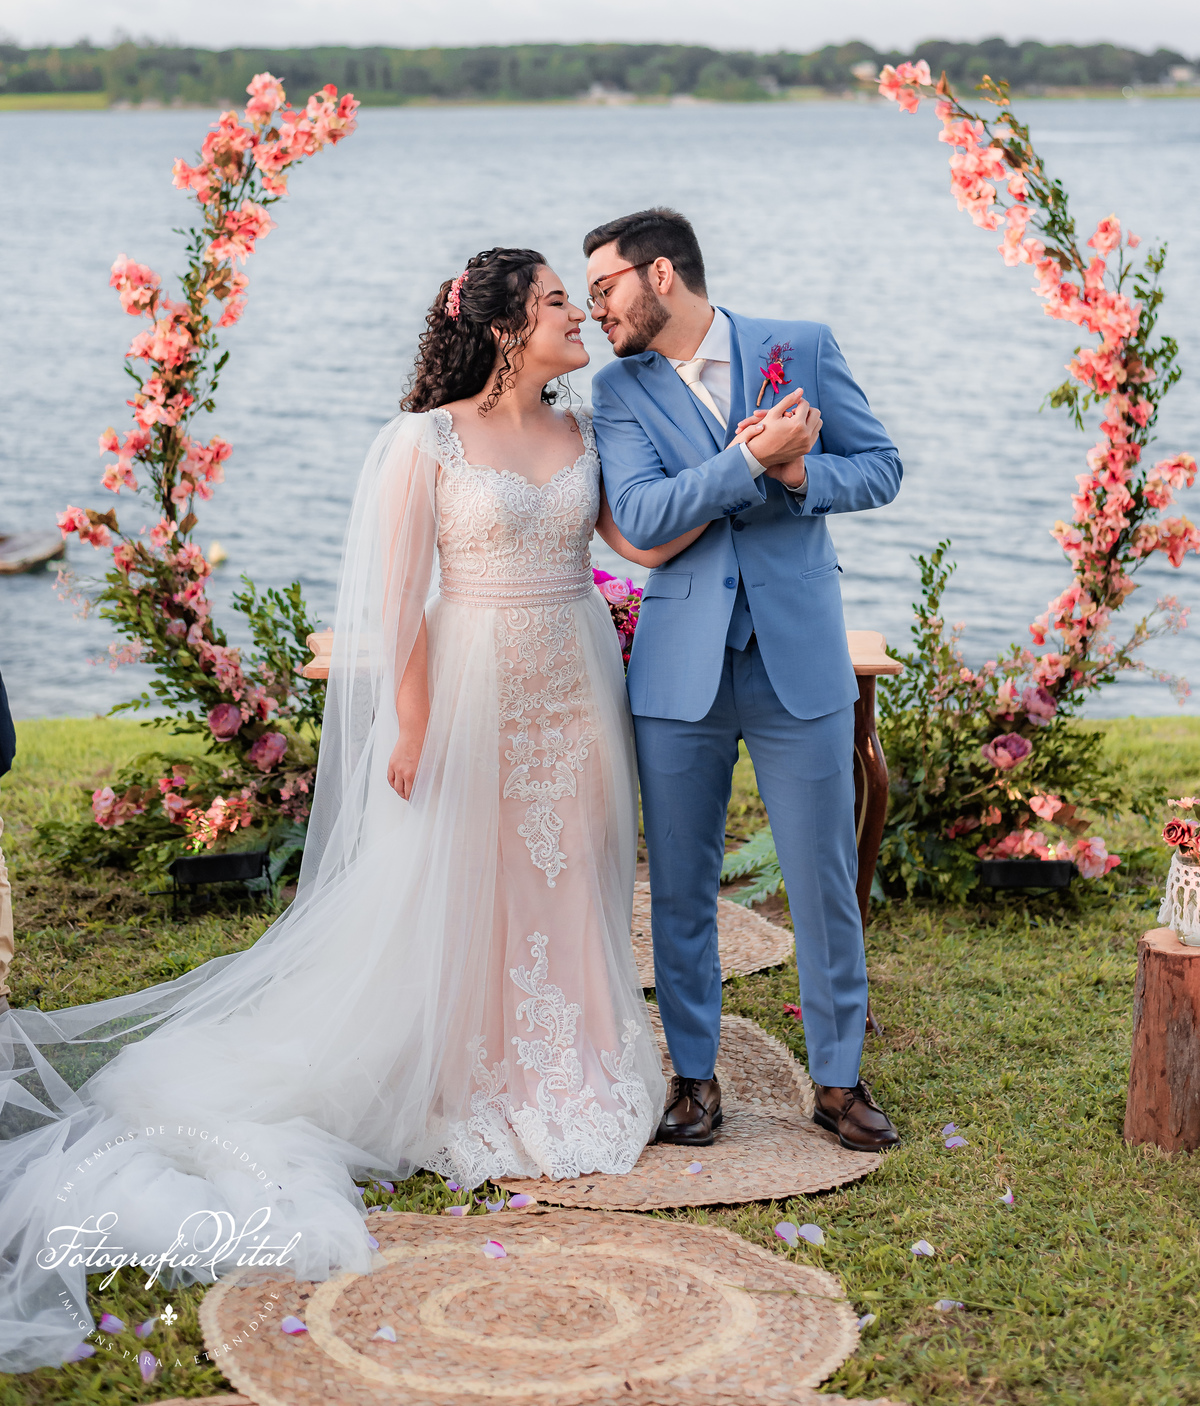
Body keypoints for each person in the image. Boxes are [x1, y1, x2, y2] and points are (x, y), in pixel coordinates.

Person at [0, 247, 689, 1374]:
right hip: (473, 684)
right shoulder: (426, 441)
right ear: (509, 326)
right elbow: (399, 602)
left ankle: (576, 1058)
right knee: (475, 875)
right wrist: (409, 725)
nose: (581, 313)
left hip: (576, 681)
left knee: (580, 870)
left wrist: (748, 470)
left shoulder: (588, 430)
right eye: (562, 299)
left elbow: (639, 540)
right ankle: (475, 1068)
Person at [585, 208, 902, 1153]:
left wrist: (802, 473)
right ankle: (693, 1078)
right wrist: (746, 462)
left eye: (604, 288)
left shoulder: (800, 346)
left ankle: (838, 1081)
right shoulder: (617, 389)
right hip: (679, 667)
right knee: (679, 884)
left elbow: (881, 467)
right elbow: (643, 513)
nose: (597, 307)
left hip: (798, 657)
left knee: (823, 880)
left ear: (662, 276)